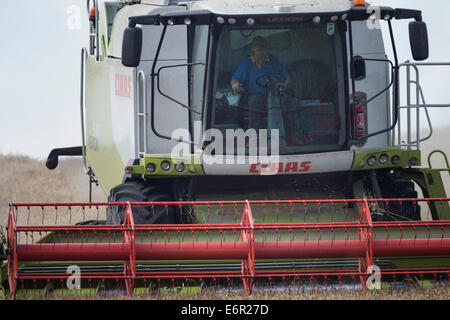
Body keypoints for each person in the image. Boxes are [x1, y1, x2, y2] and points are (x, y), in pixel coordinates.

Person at [230, 36, 291, 130]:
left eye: (263, 49)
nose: (261, 53)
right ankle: (253, 136)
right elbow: (235, 79)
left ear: (267, 49)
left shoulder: (274, 62)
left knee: (289, 101)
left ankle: (288, 134)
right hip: (254, 95)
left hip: (274, 95)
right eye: (259, 50)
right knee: (255, 101)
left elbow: (287, 78)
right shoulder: (247, 63)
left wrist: (283, 87)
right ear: (253, 49)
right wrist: (235, 84)